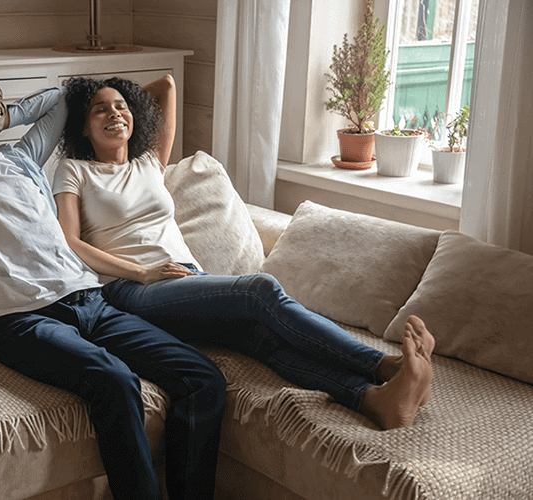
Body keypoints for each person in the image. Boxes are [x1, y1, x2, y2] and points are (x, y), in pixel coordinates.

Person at [0, 66, 227, 500]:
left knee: (203, 379)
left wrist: (7, 115)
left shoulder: (24, 158)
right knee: (116, 381)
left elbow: (63, 100)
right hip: (23, 319)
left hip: (91, 303)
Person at [52, 74, 435, 431]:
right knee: (259, 290)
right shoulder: (74, 170)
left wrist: (115, 95)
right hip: (131, 289)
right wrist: (142, 272)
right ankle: (383, 365)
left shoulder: (149, 163)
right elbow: (71, 241)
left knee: (259, 337)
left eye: (121, 106)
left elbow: (167, 85)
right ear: (83, 128)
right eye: (99, 110)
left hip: (187, 278)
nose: (114, 114)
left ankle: (374, 400)